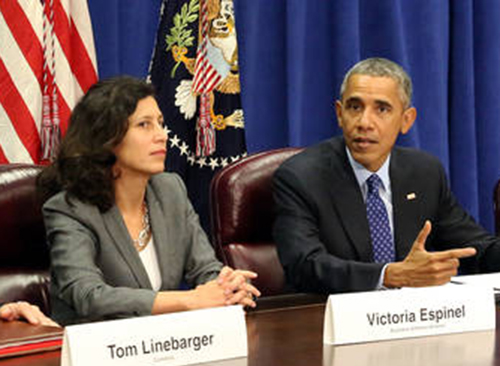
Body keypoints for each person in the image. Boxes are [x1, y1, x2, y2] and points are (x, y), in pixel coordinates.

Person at [38, 76, 260, 325]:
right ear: (106, 138)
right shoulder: (70, 209)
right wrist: (188, 300)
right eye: (144, 125)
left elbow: (206, 269)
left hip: (165, 345)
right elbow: (89, 296)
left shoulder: (170, 190)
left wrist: (228, 286)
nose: (162, 135)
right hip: (99, 352)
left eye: (161, 123)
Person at [273, 57, 500, 294]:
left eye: (381, 109)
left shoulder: (424, 173)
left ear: (406, 120)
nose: (364, 122)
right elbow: (304, 265)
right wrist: (389, 275)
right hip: (334, 321)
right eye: (354, 107)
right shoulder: (301, 177)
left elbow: (474, 247)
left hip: (413, 319)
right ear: (340, 114)